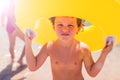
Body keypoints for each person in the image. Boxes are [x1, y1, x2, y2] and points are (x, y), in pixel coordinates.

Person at [25, 16, 113, 80]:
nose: (65, 29)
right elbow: (33, 67)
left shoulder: (83, 49)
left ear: (78, 28)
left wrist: (104, 54)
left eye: (70, 25)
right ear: (53, 27)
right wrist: (28, 43)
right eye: (60, 25)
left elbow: (92, 73)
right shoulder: (49, 46)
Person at [0, 0, 25, 66]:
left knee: (12, 44)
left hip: (9, 26)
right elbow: (12, 19)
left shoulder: (7, 4)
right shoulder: (12, 3)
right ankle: (20, 59)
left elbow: (2, 14)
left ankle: (12, 58)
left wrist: (2, 23)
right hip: (13, 27)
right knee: (28, 42)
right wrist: (18, 29)